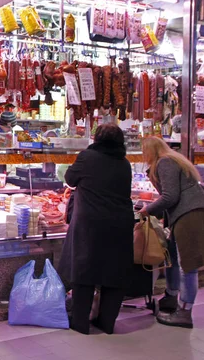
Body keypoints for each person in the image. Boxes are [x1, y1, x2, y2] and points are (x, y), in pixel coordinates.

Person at [58, 124, 134, 335]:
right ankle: (107, 323)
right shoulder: (124, 163)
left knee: (85, 271)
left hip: (91, 223)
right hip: (120, 222)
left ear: (97, 139)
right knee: (114, 272)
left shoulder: (87, 157)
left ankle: (80, 323)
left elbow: (70, 179)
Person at [139, 137, 204, 329]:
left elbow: (170, 196)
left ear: (151, 150)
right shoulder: (171, 159)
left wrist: (148, 210)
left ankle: (185, 312)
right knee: (173, 261)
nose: (144, 156)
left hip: (189, 214)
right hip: (185, 214)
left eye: (145, 151)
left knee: (188, 266)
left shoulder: (165, 162)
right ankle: (171, 298)